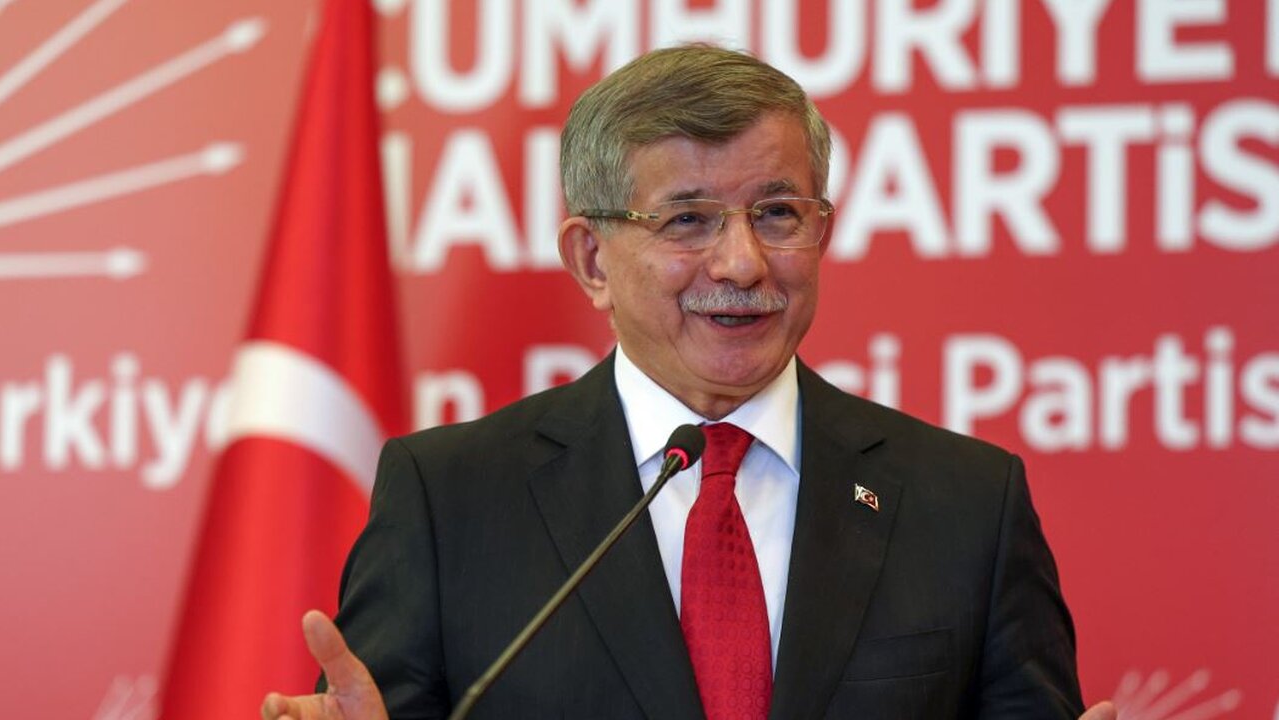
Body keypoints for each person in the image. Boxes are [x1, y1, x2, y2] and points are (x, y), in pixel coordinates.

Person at [262, 45, 1116, 720]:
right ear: (592, 260)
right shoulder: (450, 501)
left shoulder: (967, 504)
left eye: (777, 213)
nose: (742, 263)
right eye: (687, 220)